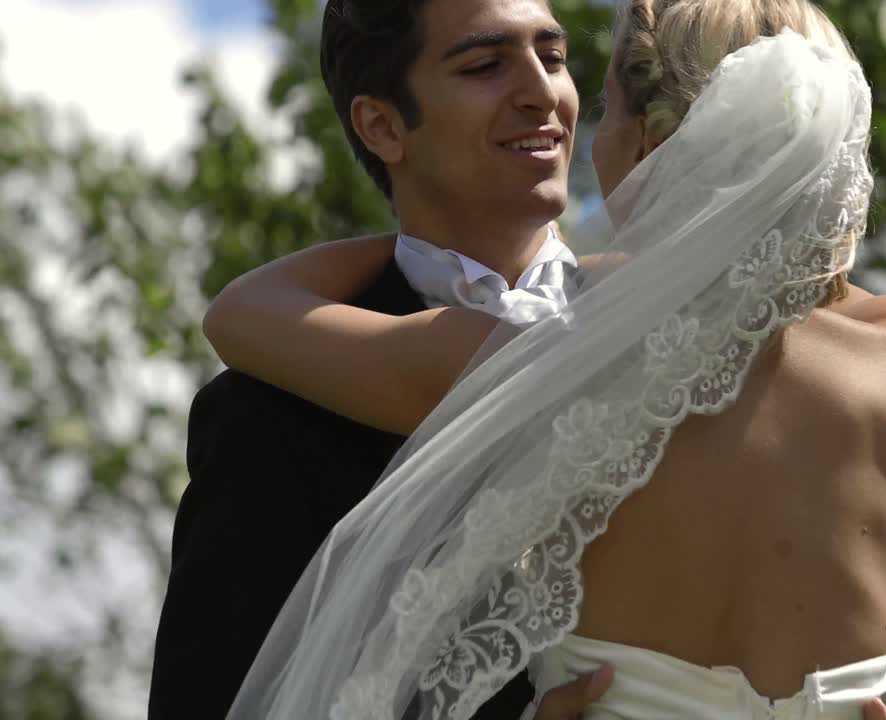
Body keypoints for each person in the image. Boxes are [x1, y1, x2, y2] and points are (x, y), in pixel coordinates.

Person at [215, 1, 886, 719]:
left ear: (654, 146)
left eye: (590, 91)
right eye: (484, 65)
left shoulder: (548, 348)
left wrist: (394, 238)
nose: (554, 104)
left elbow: (241, 311)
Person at [148, 0, 606, 717]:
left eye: (552, 58)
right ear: (382, 125)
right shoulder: (265, 415)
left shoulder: (677, 331)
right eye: (486, 65)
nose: (542, 92)